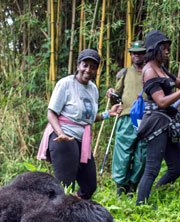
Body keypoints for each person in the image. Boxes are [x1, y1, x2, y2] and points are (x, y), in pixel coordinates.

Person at [37, 49, 122, 199]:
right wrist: (60, 133)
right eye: (85, 65)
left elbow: (86, 118)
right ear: (78, 65)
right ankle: (52, 216)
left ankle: (72, 211)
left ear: (96, 70)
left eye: (93, 67)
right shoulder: (65, 84)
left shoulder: (93, 89)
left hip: (82, 139)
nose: (88, 70)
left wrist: (108, 113)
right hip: (63, 137)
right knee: (64, 185)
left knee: (89, 186)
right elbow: (51, 113)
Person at [135, 30, 180, 205]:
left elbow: (177, 82)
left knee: (176, 168)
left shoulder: (161, 67)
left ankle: (156, 193)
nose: (167, 52)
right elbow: (162, 102)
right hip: (157, 123)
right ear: (155, 49)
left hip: (168, 123)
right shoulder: (150, 71)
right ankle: (140, 206)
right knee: (152, 168)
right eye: (164, 48)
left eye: (168, 48)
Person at [106, 40, 148, 195]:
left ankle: (133, 185)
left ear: (145, 54)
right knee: (123, 153)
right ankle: (120, 186)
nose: (137, 56)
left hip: (146, 118)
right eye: (134, 53)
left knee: (142, 154)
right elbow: (116, 95)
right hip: (127, 117)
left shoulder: (150, 71)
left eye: (140, 53)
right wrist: (111, 94)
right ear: (130, 55)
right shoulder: (124, 73)